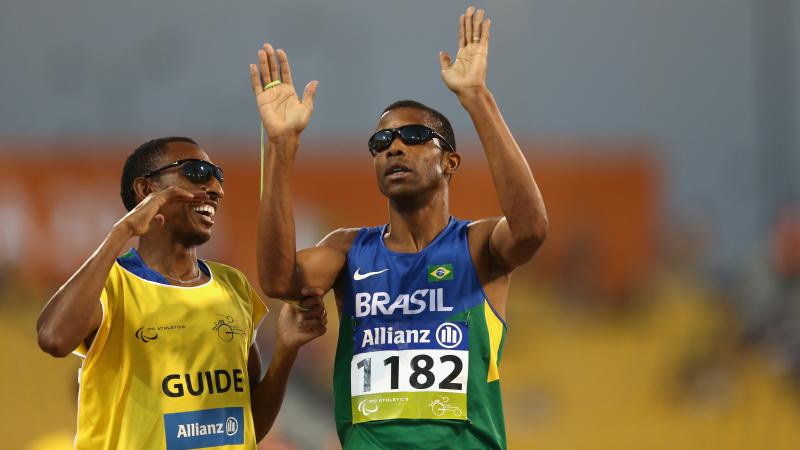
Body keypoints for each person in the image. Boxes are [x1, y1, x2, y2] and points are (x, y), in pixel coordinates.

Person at [249, 6, 547, 449]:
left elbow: (530, 230)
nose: (393, 148)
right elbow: (276, 279)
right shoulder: (348, 250)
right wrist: (280, 146)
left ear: (450, 162)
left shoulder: (477, 244)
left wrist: (476, 97)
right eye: (381, 142)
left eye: (412, 137)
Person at [36, 137, 327, 449]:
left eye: (218, 176)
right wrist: (121, 232)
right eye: (198, 172)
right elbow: (53, 338)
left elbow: (246, 424)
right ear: (146, 190)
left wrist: (285, 351)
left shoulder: (233, 285)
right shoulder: (113, 284)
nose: (215, 188)